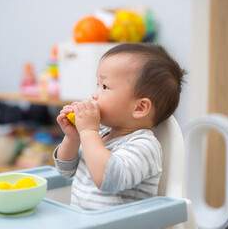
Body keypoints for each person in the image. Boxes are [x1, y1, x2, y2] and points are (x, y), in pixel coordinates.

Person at [53, 43, 186, 210]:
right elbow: (65, 170)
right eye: (97, 85)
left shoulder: (144, 146)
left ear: (139, 108)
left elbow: (107, 178)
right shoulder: (100, 134)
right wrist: (73, 138)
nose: (95, 94)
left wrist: (87, 131)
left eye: (105, 87)